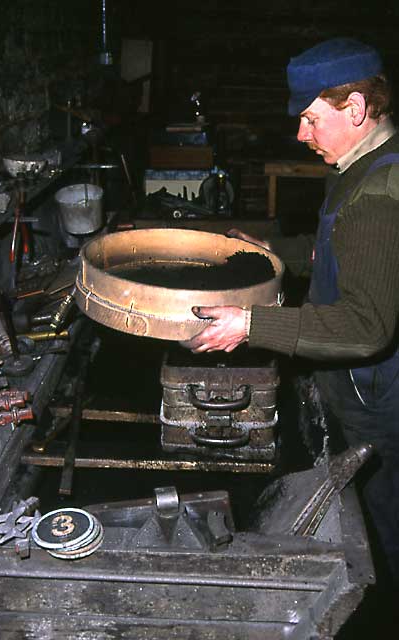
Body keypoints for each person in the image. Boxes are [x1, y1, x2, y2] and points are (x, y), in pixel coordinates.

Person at [182, 37, 399, 586]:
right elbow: (343, 250)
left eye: (310, 119)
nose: (302, 135)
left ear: (355, 108)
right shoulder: (362, 166)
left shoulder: (380, 194)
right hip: (356, 385)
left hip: (376, 402)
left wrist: (250, 323)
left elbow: (365, 326)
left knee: (382, 533)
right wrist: (272, 247)